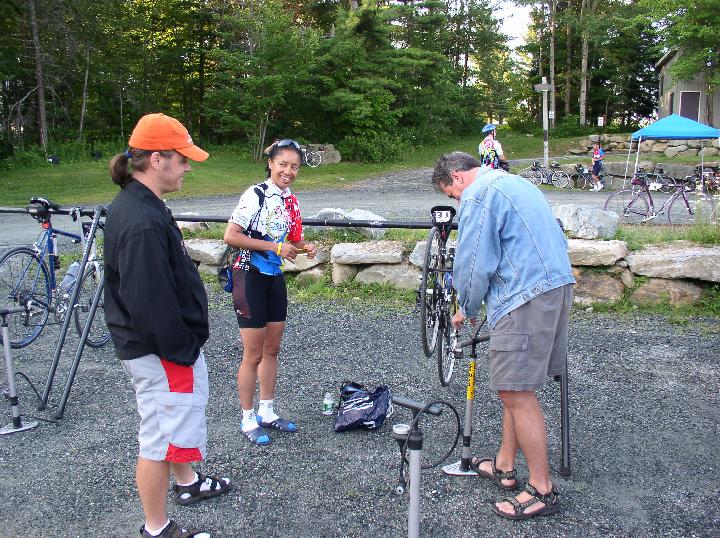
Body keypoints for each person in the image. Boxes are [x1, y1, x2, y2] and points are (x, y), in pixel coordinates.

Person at [105, 113, 232, 538]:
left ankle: (187, 482)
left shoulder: (143, 202)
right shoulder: (140, 220)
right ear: (156, 160)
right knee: (159, 439)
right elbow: (147, 302)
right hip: (161, 352)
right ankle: (156, 528)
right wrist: (182, 348)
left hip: (160, 348)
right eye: (182, 159)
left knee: (170, 424)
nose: (188, 167)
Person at [431, 151, 575, 520]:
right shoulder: (514, 182)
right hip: (554, 287)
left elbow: (473, 261)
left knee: (514, 391)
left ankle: (542, 489)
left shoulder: (479, 194)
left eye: (451, 194)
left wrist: (466, 305)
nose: (456, 202)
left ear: (457, 177)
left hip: (525, 294)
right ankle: (504, 465)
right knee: (517, 387)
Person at [224, 138, 317, 446]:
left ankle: (267, 411)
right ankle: (247, 417)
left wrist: (306, 246)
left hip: (274, 276)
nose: (288, 171)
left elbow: (294, 239)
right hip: (248, 275)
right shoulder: (256, 194)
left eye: (295, 167)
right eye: (283, 164)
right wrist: (275, 247)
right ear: (270, 164)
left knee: (272, 349)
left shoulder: (291, 200)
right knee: (252, 354)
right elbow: (231, 236)